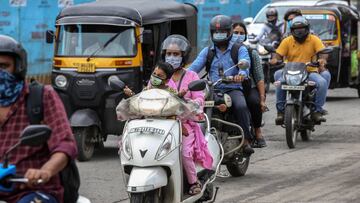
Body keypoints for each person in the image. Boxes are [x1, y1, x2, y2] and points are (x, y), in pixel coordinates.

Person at [0, 35, 77, 202]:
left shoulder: (41, 96)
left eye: (3, 66)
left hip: (32, 191)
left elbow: (65, 144)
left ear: (18, 67)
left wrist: (45, 171)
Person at [188, 15, 254, 155]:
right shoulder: (207, 52)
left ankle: (246, 140)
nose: (219, 36)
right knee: (193, 108)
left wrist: (240, 75)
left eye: (222, 32)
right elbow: (193, 69)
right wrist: (181, 78)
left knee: (241, 106)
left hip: (233, 89)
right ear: (212, 34)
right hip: (212, 90)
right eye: (216, 33)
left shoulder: (239, 49)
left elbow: (244, 64)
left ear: (229, 32)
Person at [162, 34, 213, 195]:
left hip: (185, 125)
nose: (171, 57)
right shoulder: (159, 76)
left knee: (184, 153)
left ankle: (193, 182)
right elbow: (149, 91)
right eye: (168, 54)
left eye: (176, 54)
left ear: (183, 56)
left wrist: (194, 104)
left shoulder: (192, 76)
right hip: (162, 123)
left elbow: (199, 97)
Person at [270, 16, 331, 123]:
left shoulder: (314, 39)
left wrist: (322, 60)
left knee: (322, 82)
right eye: (296, 30)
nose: (299, 32)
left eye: (302, 29)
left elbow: (323, 53)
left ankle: (317, 111)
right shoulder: (287, 41)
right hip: (289, 71)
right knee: (279, 82)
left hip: (309, 71)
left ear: (307, 29)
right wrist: (275, 59)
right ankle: (280, 112)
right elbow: (278, 55)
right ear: (292, 31)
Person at [232, 22, 267, 148]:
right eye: (235, 32)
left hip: (248, 87)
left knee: (254, 102)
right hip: (228, 88)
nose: (238, 35)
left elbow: (259, 78)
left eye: (241, 33)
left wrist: (262, 99)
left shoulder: (251, 53)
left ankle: (257, 131)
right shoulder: (221, 51)